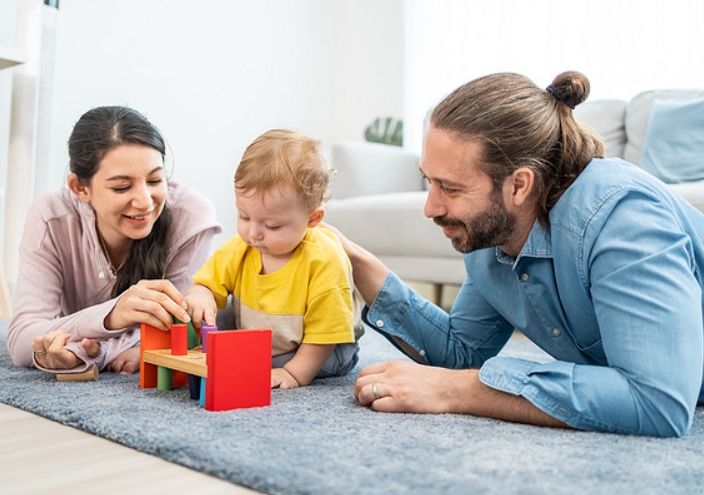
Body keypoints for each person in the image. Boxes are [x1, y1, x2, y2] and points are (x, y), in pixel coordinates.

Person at [332, 71, 704, 437]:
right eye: (430, 181)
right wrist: (359, 263)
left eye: (450, 188)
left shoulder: (622, 220)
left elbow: (657, 401)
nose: (430, 207)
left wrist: (459, 390)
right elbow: (463, 353)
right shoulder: (493, 239)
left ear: (519, 185)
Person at [6, 106, 222, 375]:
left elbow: (180, 327)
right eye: (122, 187)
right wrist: (113, 314)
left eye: (155, 180)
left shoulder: (191, 215)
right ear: (80, 189)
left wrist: (96, 353)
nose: (145, 202)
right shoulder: (51, 216)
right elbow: (22, 338)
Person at [184, 129, 361, 389]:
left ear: (312, 219)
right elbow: (207, 284)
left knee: (271, 362)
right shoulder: (243, 247)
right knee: (215, 315)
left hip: (321, 347)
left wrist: (292, 374)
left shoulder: (324, 260)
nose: (253, 232)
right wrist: (201, 293)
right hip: (262, 335)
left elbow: (325, 336)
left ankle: (275, 363)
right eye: (244, 216)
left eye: (272, 226)